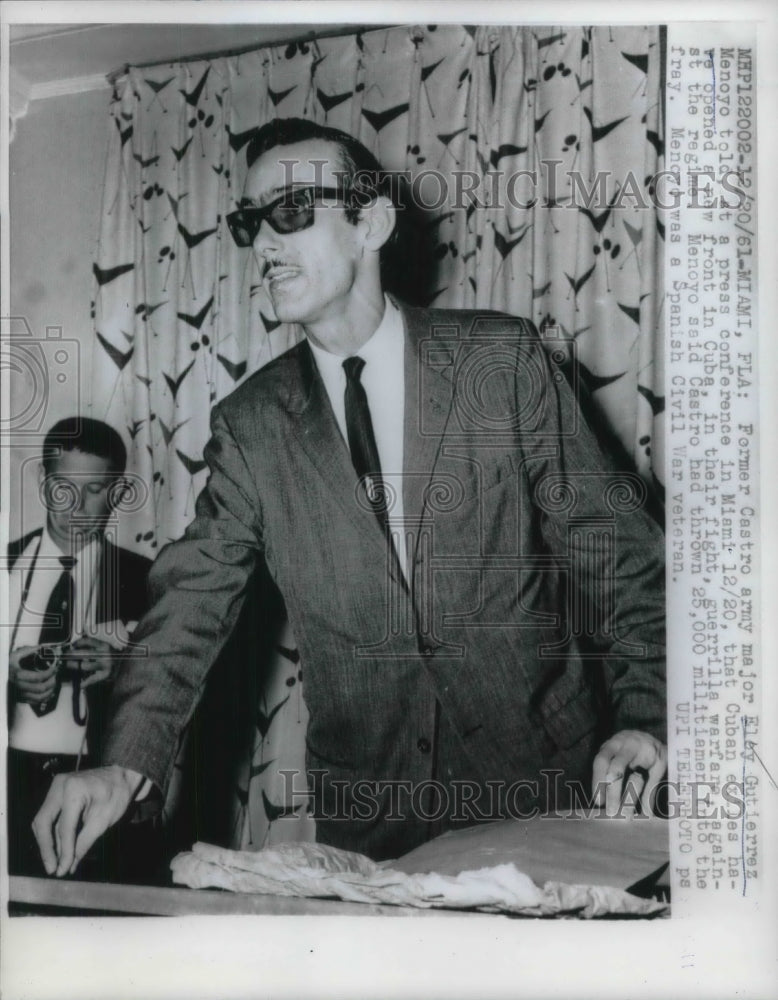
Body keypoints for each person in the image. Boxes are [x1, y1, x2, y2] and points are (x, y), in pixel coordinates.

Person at [33, 118, 667, 875]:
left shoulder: (500, 359)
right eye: (251, 223)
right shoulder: (251, 425)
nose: (264, 245)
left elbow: (619, 556)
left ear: (372, 223)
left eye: (291, 212)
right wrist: (122, 762)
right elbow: (190, 603)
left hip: (544, 790)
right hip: (376, 826)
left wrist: (646, 719)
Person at [8, 417, 159, 881]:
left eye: (94, 490)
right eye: (63, 488)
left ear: (117, 492)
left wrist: (123, 668)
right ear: (42, 480)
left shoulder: (148, 583)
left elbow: (178, 692)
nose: (75, 506)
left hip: (100, 799)